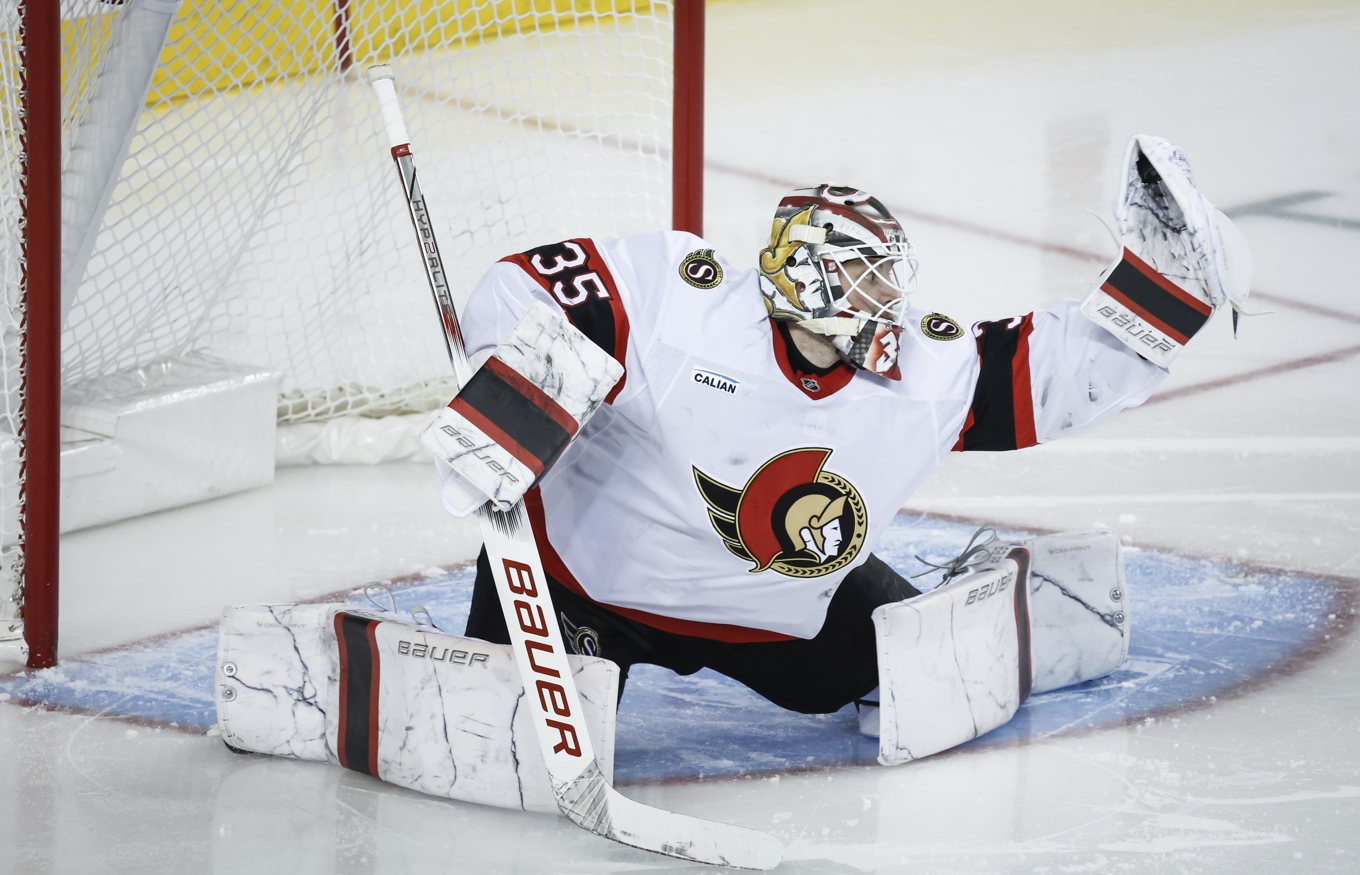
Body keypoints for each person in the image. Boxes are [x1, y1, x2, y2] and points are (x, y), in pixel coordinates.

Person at [437, 135, 1251, 716]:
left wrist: (1165, 295)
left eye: (885, 281)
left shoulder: (917, 378)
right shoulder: (680, 307)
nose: (884, 303)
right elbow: (521, 288)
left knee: (919, 677)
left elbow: (1051, 375)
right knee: (479, 722)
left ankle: (976, 596)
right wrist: (511, 401)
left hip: (774, 621)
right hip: (578, 593)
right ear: (806, 283)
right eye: (863, 282)